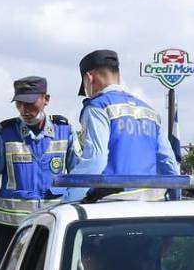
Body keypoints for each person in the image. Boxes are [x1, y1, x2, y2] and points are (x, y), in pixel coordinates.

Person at [0, 76, 73, 267]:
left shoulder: (65, 131)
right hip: (11, 229)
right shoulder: (5, 132)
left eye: (29, 103)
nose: (24, 110)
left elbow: (80, 178)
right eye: (19, 104)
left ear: (46, 99)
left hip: (54, 225)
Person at [64, 50, 180, 201]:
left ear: (88, 78)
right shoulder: (149, 111)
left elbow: (96, 160)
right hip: (152, 207)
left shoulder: (98, 107)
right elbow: (168, 163)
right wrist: (176, 200)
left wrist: (69, 198)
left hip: (112, 208)